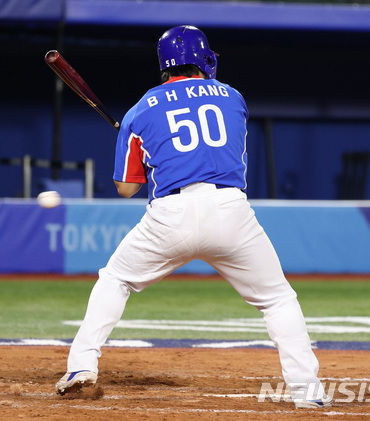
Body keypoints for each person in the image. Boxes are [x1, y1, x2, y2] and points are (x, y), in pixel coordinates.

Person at [55, 25, 332, 409]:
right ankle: (308, 392)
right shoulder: (233, 97)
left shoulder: (140, 110)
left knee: (115, 280)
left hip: (170, 216)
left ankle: (81, 366)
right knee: (278, 300)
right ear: (202, 58)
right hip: (231, 211)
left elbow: (126, 188)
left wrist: (136, 145)